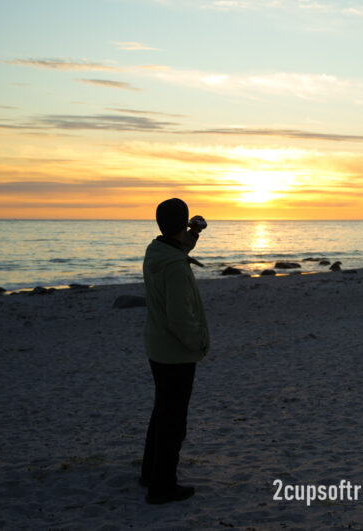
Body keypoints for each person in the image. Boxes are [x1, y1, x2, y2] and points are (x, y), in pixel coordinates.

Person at [140, 198, 210, 504]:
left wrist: (194, 232)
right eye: (186, 226)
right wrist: (198, 343)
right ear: (180, 225)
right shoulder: (177, 267)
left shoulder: (156, 252)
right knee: (173, 421)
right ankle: (162, 486)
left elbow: (177, 247)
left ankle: (149, 474)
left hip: (157, 347)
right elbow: (180, 318)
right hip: (176, 353)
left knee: (161, 413)